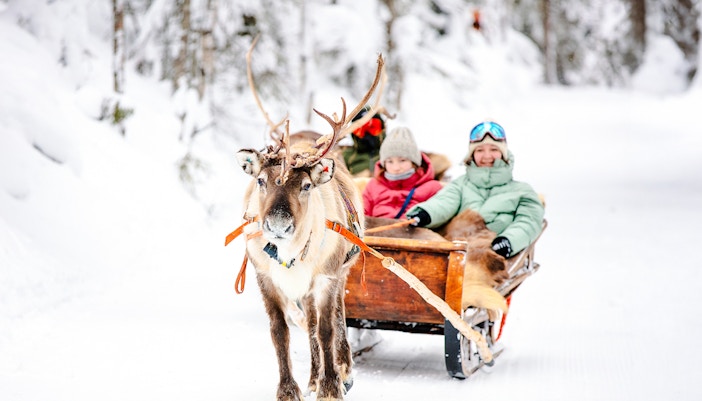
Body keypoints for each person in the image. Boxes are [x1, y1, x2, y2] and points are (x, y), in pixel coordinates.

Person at [406, 121, 544, 258]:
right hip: (456, 251)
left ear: (504, 153)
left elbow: (528, 222)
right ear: (472, 154)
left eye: (494, 150)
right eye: (480, 150)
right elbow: (444, 202)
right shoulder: (460, 185)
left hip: (492, 255)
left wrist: (508, 241)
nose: (487, 156)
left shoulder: (522, 191)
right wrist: (425, 213)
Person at [363, 126, 443, 219]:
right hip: (375, 231)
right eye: (390, 161)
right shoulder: (372, 186)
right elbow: (362, 213)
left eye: (402, 160)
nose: (396, 167)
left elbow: (439, 212)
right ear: (383, 164)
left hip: (415, 231)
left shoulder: (432, 188)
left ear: (414, 162)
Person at [342, 106, 386, 177]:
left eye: (373, 127)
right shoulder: (345, 157)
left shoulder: (393, 155)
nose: (367, 134)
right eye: (360, 129)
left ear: (382, 128)